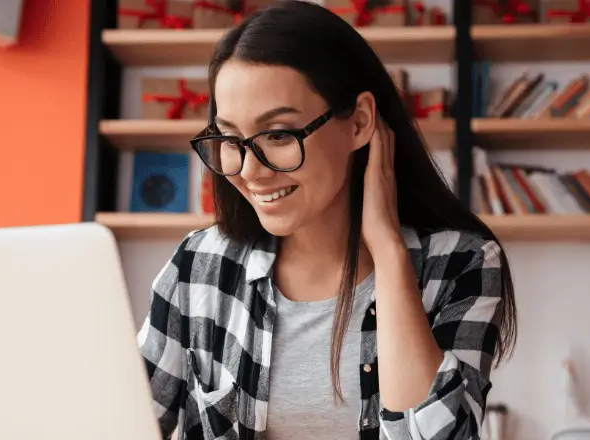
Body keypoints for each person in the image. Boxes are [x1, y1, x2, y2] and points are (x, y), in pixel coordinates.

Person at [136, 1, 517, 439]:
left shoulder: (459, 264)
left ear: (358, 122)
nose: (249, 170)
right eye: (229, 138)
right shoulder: (199, 266)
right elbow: (120, 423)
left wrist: (389, 254)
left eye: (277, 134)